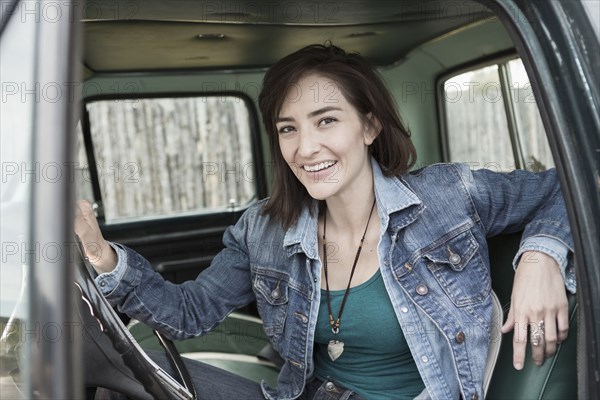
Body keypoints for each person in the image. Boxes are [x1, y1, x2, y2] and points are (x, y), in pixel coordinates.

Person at [75, 44, 576, 400]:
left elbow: (572, 184)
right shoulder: (264, 230)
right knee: (129, 373)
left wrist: (541, 256)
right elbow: (188, 313)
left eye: (326, 120)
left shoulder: (449, 195)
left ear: (370, 125)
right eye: (288, 129)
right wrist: (99, 254)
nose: (305, 147)